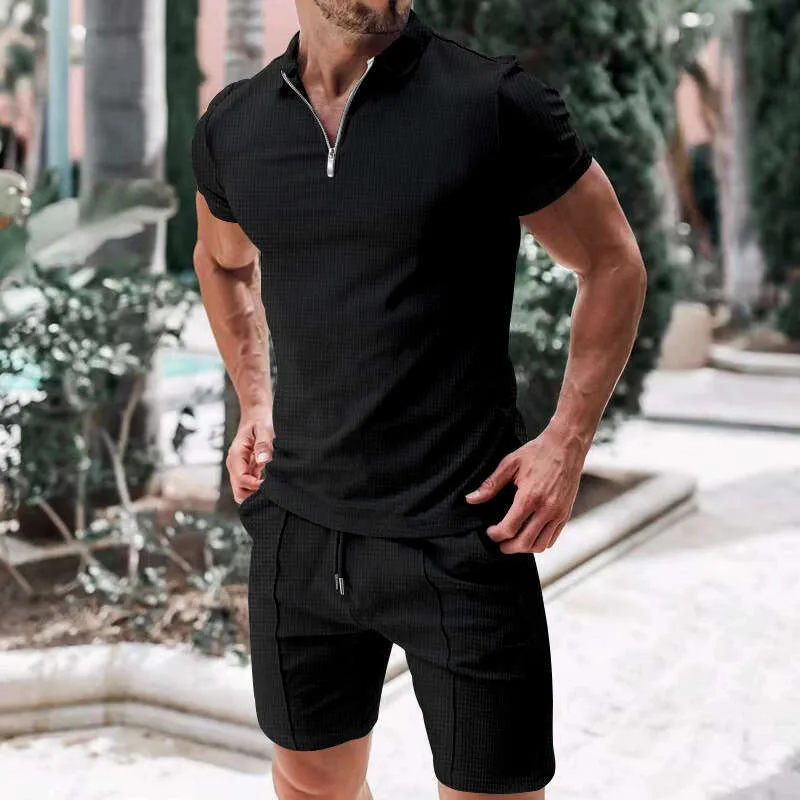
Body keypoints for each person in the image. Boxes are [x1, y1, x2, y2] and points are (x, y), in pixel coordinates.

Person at [191, 3, 646, 798]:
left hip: (464, 533)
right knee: (310, 786)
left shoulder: (492, 103)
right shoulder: (235, 127)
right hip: (300, 531)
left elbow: (612, 262)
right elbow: (221, 260)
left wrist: (566, 443)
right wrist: (256, 400)